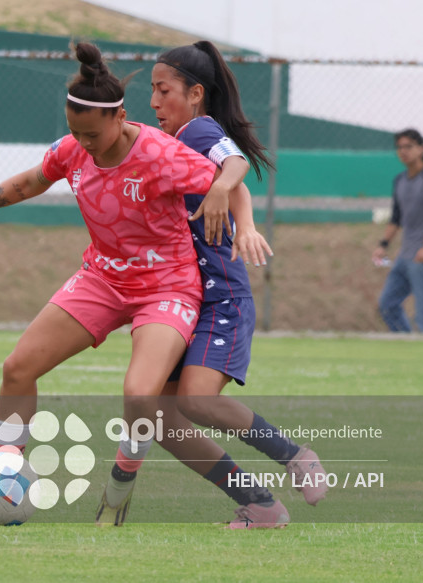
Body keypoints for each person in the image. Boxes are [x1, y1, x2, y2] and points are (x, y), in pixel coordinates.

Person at [0, 42, 268, 523]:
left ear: (120, 118)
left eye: (91, 134)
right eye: (75, 133)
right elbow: (30, 181)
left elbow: (232, 178)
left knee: (140, 394)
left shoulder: (161, 153)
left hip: (166, 286)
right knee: (18, 368)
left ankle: (118, 491)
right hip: (103, 279)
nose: (83, 144)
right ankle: (2, 481)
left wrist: (231, 206)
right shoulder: (73, 150)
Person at [95, 41, 327, 530]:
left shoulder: (198, 131)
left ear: (195, 94)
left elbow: (234, 167)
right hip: (181, 298)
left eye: (164, 90)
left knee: (196, 401)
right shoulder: (166, 144)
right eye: (152, 91)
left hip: (221, 298)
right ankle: (260, 505)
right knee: (161, 419)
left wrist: (240, 218)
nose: (154, 102)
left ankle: (294, 456)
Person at [372, 128, 423, 333]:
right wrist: (383, 245)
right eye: (400, 147)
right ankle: (406, 342)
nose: (403, 151)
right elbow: (396, 218)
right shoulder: (400, 180)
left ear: (421, 149)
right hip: (405, 255)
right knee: (387, 305)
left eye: (408, 147)